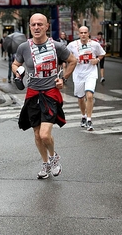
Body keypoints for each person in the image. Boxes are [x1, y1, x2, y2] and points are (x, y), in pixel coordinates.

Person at [12, 13, 77, 179]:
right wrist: (18, 74)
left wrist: (63, 79)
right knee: (36, 134)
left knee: (44, 134)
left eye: (40, 24)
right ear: (30, 27)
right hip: (32, 93)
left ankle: (54, 157)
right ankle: (45, 163)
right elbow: (15, 64)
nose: (36, 27)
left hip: (50, 93)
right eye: (33, 25)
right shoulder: (24, 48)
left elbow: (73, 61)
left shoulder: (57, 46)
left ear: (47, 26)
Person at [67, 26, 106, 131]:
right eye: (81, 33)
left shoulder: (95, 44)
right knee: (80, 98)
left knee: (89, 96)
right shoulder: (72, 45)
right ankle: (83, 116)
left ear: (88, 33)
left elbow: (102, 54)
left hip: (91, 73)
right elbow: (66, 56)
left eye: (85, 32)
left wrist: (97, 60)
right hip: (78, 73)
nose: (83, 34)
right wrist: (73, 60)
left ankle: (89, 120)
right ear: (78, 34)